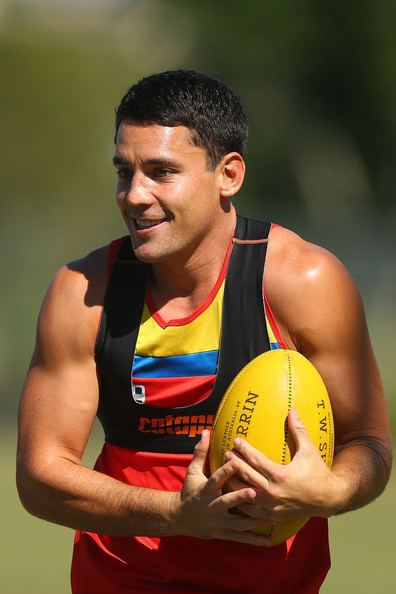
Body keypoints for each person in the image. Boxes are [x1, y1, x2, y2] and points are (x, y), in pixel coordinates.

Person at [17, 70, 392, 594]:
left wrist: (328, 491)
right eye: (125, 172)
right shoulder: (83, 292)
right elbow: (41, 478)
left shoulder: (302, 282)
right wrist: (177, 514)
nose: (135, 196)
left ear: (229, 175)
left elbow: (369, 444)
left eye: (162, 172)